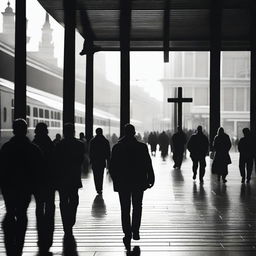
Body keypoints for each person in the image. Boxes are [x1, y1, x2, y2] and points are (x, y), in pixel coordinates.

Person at [0, 119, 43, 256]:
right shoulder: (33, 149)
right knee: (22, 213)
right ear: (26, 130)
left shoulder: (6, 148)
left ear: (13, 130)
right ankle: (19, 244)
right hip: (25, 188)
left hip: (8, 187)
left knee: (10, 211)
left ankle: (9, 243)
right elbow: (38, 170)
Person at [109, 124, 155, 251]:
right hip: (138, 181)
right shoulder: (142, 147)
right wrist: (151, 178)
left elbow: (112, 167)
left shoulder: (117, 147)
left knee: (125, 208)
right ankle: (135, 230)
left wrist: (116, 180)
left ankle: (127, 233)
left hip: (123, 182)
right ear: (134, 133)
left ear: (124, 133)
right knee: (137, 206)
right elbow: (147, 164)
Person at [55, 123, 85, 239]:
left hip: (62, 178)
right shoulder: (79, 145)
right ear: (74, 131)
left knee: (63, 201)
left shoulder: (59, 145)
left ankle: (66, 224)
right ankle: (71, 219)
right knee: (74, 199)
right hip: (74, 176)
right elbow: (81, 160)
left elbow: (56, 161)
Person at [32, 122, 56, 255]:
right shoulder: (51, 145)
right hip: (50, 182)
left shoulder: (34, 145)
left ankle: (41, 234)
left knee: (39, 207)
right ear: (46, 131)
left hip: (37, 183)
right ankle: (49, 235)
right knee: (50, 207)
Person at [89, 128, 111, 195]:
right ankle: (100, 188)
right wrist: (108, 161)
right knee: (101, 175)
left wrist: (91, 160)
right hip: (102, 161)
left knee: (96, 175)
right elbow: (108, 152)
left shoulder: (92, 141)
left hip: (95, 161)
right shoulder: (105, 141)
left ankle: (97, 188)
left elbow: (91, 151)